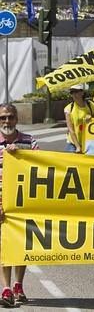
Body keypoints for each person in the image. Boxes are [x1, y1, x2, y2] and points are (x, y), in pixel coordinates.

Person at [0, 103, 38, 308]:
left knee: (22, 245)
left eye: (11, 117)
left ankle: (18, 285)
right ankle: (6, 288)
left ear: (17, 119)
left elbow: (41, 167)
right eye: (3, 117)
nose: (7, 121)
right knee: (5, 246)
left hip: (24, 203)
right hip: (1, 203)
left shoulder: (29, 141)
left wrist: (21, 157)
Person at [64, 84, 94, 153]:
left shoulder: (90, 105)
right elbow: (71, 130)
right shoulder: (68, 109)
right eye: (72, 92)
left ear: (82, 93)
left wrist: (92, 119)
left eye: (76, 91)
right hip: (73, 144)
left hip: (89, 143)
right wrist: (77, 146)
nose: (74, 94)